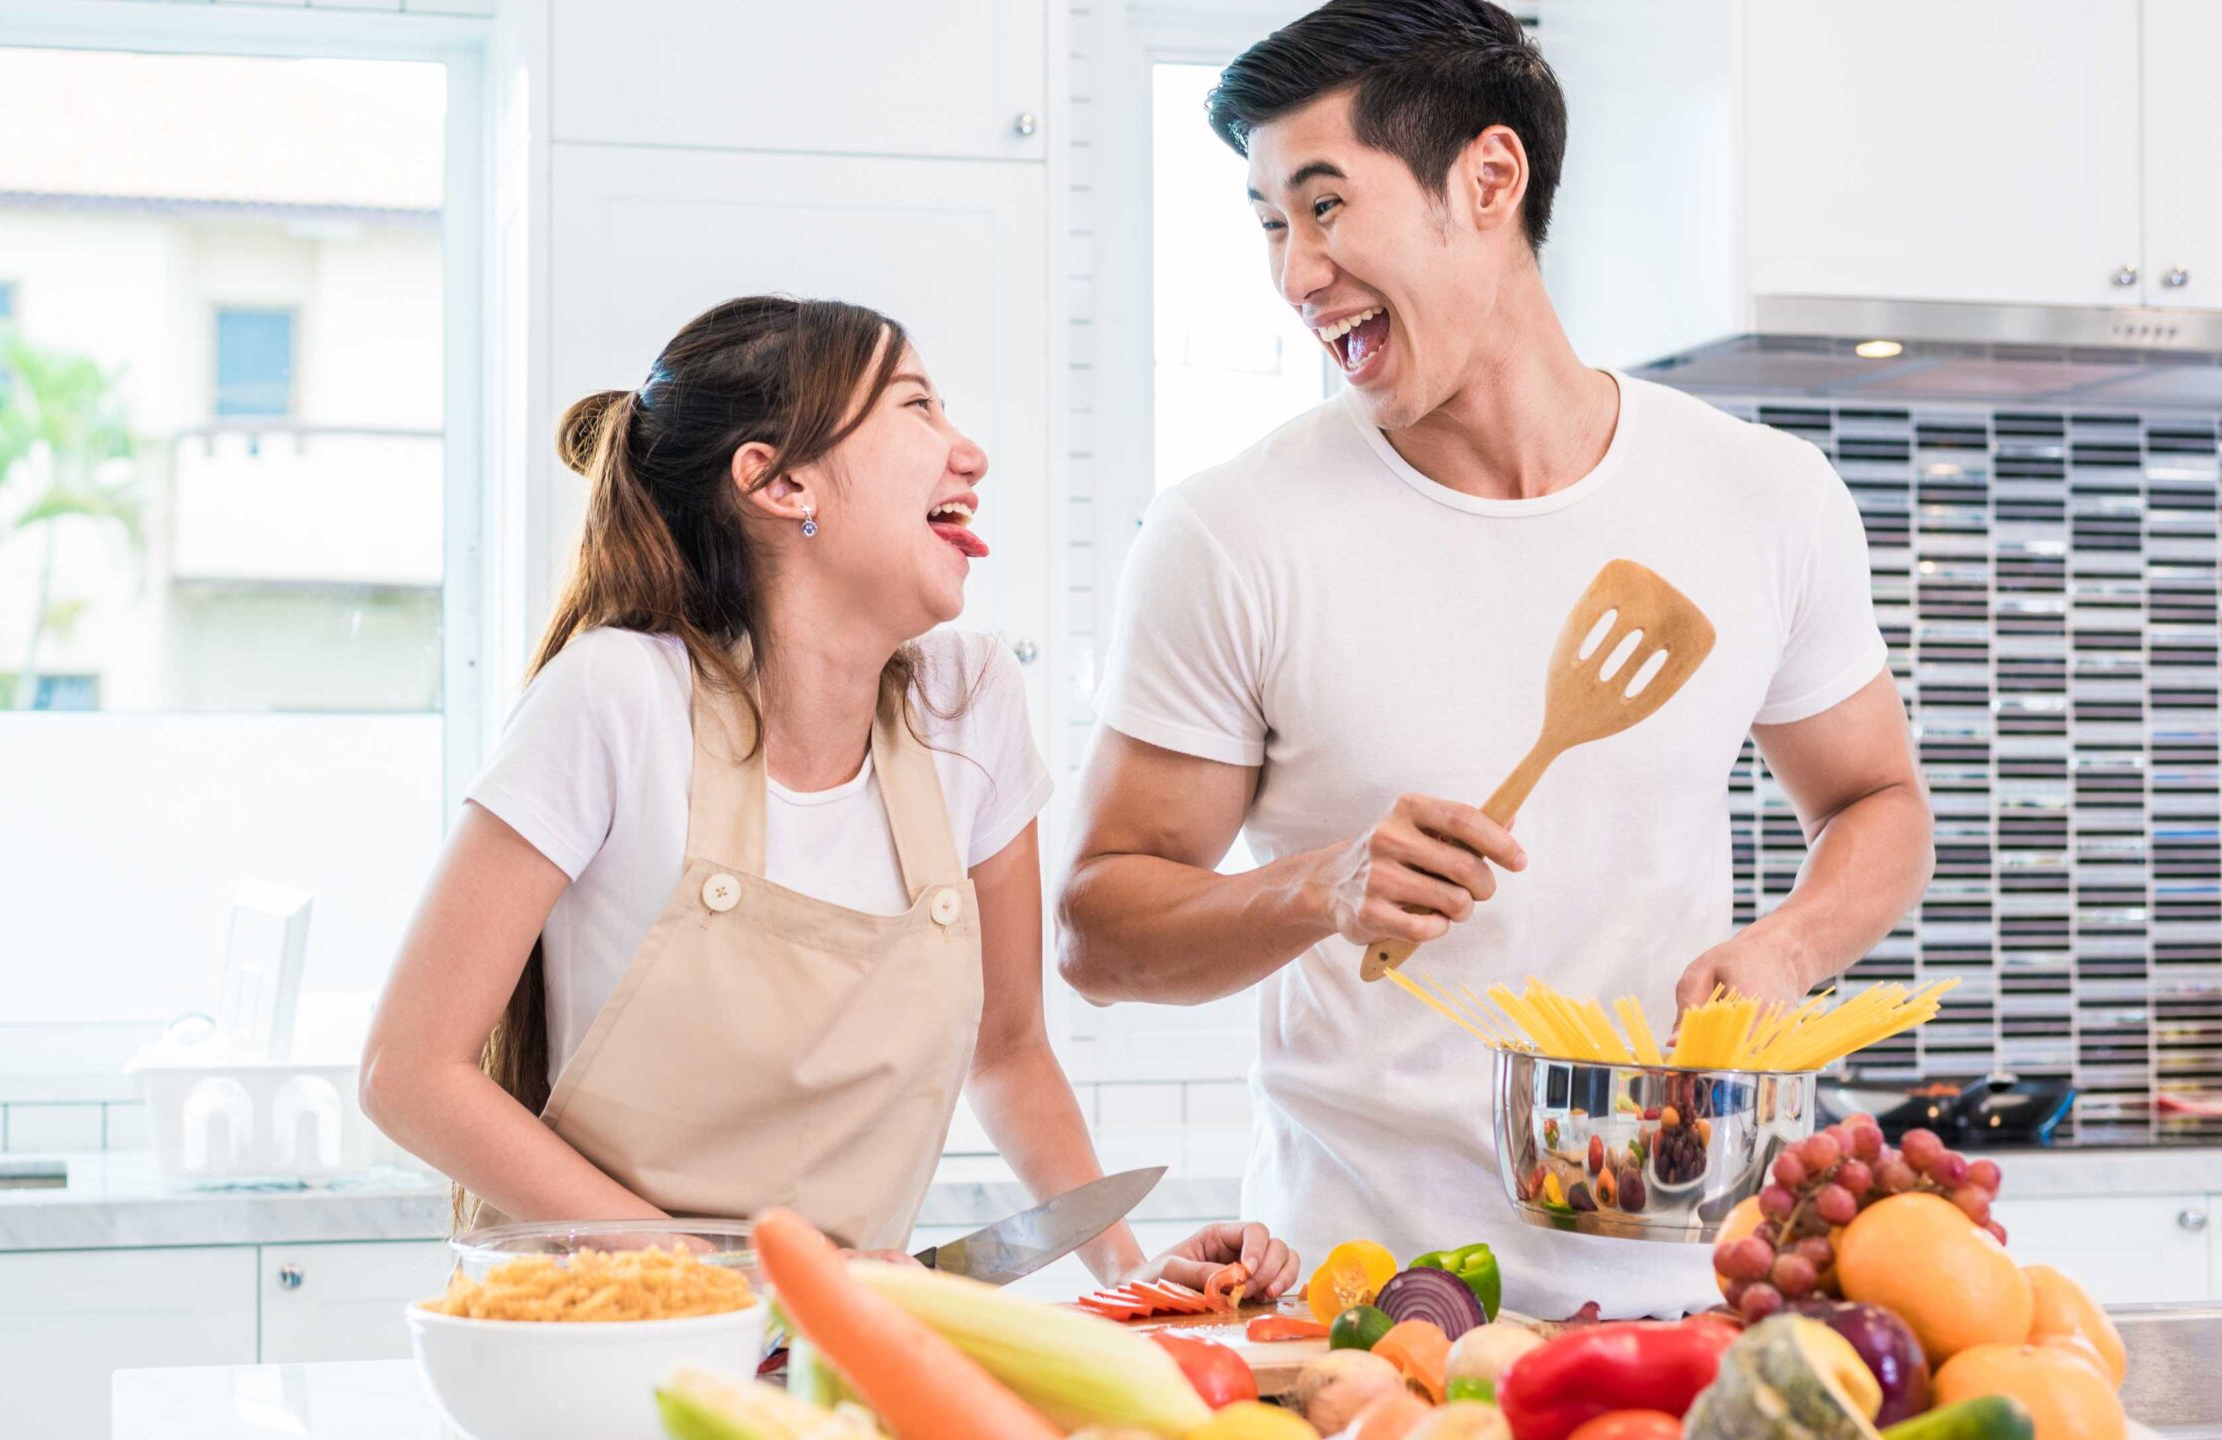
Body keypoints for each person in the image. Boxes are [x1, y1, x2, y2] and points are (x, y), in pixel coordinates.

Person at [1056, 0, 1934, 1317]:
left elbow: (1879, 803)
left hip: (1685, 1289)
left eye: (1325, 207)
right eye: (1268, 226)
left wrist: (1791, 947)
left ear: (1488, 178)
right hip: (1356, 1306)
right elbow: (1100, 933)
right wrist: (1321, 885)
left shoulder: (1764, 496)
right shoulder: (1230, 534)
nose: (1295, 274)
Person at [363, 295, 1295, 1294]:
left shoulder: (967, 704)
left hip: (817, 1360)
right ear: (779, 481)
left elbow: (1010, 1048)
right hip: (598, 1338)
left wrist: (1132, 1270)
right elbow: (409, 1075)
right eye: (915, 408)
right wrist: (732, 1278)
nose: (968, 452)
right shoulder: (617, 698)